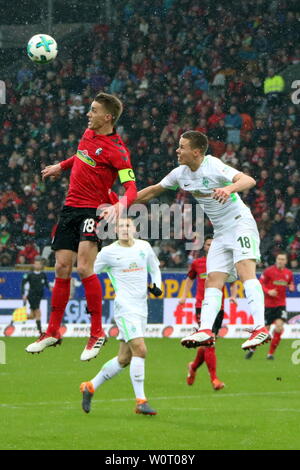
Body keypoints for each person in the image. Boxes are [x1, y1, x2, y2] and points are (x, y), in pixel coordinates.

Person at [26, 92, 137, 361]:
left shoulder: (118, 150)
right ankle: (52, 331)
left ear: (107, 117)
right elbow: (81, 156)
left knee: (84, 267)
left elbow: (131, 187)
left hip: (93, 210)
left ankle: (97, 333)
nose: (88, 113)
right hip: (70, 208)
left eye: (94, 110)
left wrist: (119, 206)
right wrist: (60, 167)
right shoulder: (88, 134)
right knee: (61, 267)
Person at [136, 130, 270, 351]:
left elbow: (248, 180)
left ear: (196, 152)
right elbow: (153, 192)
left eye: (182, 146)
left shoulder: (213, 165)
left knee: (246, 271)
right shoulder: (180, 174)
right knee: (212, 280)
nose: (177, 150)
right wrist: (120, 201)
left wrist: (228, 188)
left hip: (240, 224)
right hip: (220, 232)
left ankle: (260, 328)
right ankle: (206, 330)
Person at [80, 217, 162, 415]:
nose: (125, 229)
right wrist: (90, 299)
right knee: (140, 350)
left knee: (124, 358)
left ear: (134, 228)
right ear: (116, 231)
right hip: (125, 308)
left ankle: (90, 386)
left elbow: (155, 267)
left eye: (128, 225)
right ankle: (141, 401)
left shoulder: (144, 247)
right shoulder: (108, 253)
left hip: (141, 308)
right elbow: (89, 273)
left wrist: (157, 285)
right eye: (120, 226)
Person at [179, 235, 237, 390]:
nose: (210, 247)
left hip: (219, 307)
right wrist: (184, 295)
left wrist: (233, 296)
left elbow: (232, 280)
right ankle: (214, 379)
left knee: (207, 343)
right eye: (208, 244)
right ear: (204, 247)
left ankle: (193, 367)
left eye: (213, 244)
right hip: (202, 306)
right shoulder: (198, 263)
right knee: (209, 342)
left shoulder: (223, 264)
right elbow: (189, 279)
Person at [245, 253, 295, 360]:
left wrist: (291, 287)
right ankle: (252, 349)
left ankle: (270, 354)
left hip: (281, 305)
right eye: (279, 259)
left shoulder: (288, 273)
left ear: (286, 261)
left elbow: (291, 284)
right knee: (264, 330)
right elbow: (260, 283)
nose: (280, 261)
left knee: (279, 327)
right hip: (268, 306)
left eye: (282, 259)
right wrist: (268, 291)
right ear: (276, 260)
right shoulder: (269, 271)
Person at [20, 256, 50, 335]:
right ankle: (40, 332)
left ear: (41, 265)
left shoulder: (43, 274)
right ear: (34, 265)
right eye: (35, 264)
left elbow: (46, 283)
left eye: (38, 264)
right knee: (38, 312)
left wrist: (50, 288)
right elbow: (23, 284)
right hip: (32, 296)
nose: (37, 265)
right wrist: (23, 294)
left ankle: (19, 318)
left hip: (39, 296)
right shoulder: (30, 275)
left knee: (32, 316)